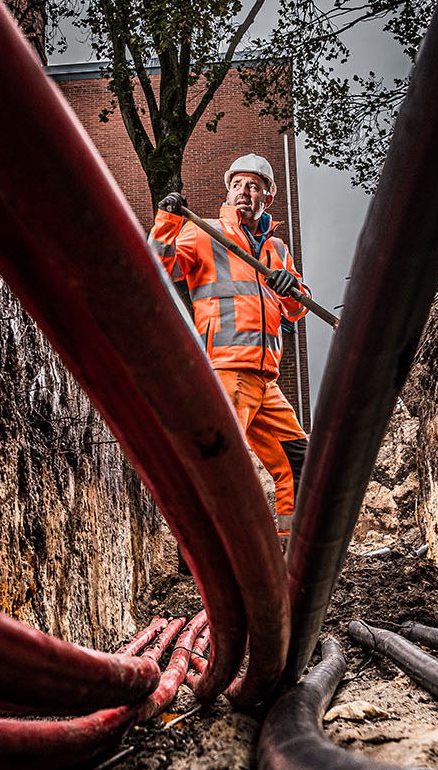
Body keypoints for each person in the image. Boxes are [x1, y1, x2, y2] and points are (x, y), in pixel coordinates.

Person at [148, 153, 310, 549]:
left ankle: (291, 552)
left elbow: (296, 308)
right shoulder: (205, 233)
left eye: (253, 186)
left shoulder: (275, 249)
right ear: (228, 190)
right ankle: (210, 555)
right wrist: (167, 222)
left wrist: (293, 288)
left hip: (265, 380)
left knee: (298, 462)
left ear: (267, 198)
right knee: (222, 467)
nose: (244, 192)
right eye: (238, 184)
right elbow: (157, 269)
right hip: (226, 371)